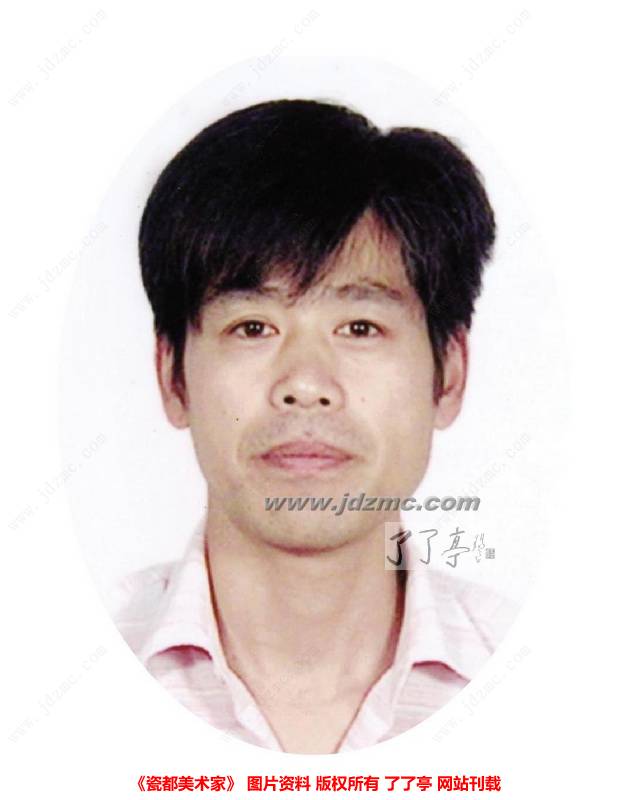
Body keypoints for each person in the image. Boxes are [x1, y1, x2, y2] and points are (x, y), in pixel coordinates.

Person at [113, 98, 518, 753]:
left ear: (448, 373)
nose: (304, 383)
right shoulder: (57, 673)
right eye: (253, 327)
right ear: (172, 376)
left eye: (360, 327)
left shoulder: (553, 687)